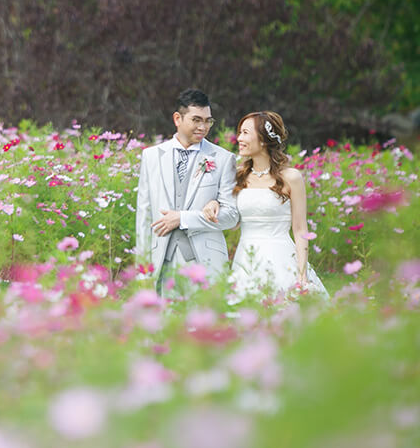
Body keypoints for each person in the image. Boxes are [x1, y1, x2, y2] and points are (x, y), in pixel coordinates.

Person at [135, 89, 240, 297]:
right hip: (161, 261)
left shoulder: (223, 159)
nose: (203, 127)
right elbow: (144, 216)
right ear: (178, 119)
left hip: (206, 262)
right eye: (196, 120)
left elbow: (231, 216)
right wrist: (142, 271)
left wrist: (183, 218)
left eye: (208, 121)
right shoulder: (151, 156)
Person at [222, 111, 329, 301]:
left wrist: (302, 272)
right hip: (246, 259)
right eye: (240, 133)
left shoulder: (291, 177)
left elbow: (300, 229)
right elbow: (233, 221)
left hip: (283, 259)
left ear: (263, 140)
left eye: (245, 133)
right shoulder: (237, 176)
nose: (239, 138)